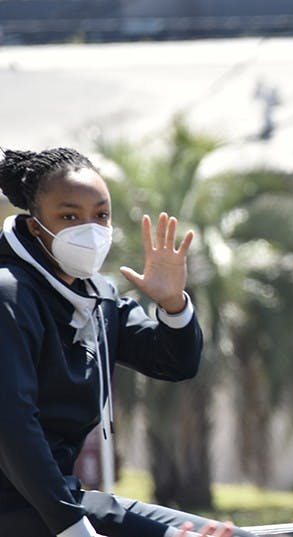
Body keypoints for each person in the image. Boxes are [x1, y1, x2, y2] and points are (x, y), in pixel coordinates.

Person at [0, 147, 253, 537]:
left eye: (101, 215)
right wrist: (72, 528)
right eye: (69, 216)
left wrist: (172, 304)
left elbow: (175, 363)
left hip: (61, 500)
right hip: (24, 508)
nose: (90, 229)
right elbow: (11, 424)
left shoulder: (97, 297)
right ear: (36, 227)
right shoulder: (9, 292)